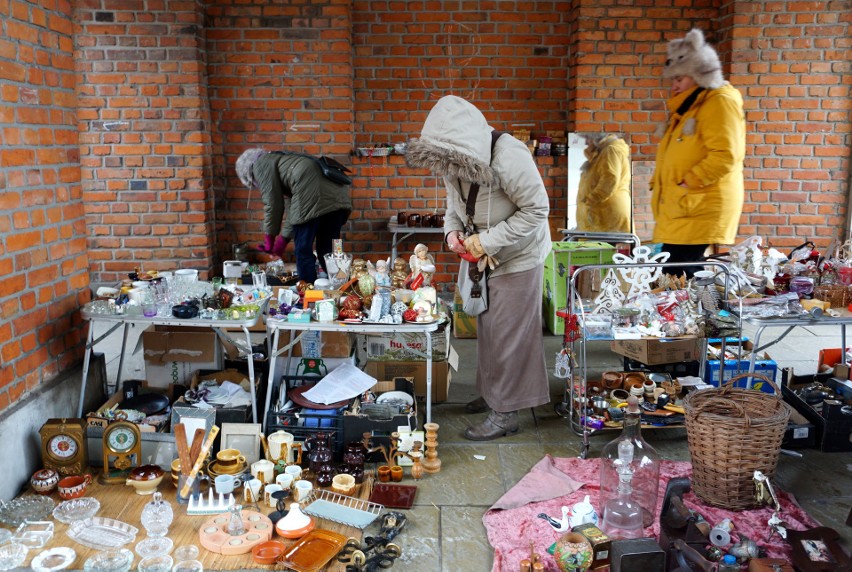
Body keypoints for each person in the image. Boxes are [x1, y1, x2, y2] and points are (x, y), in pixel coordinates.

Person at [406, 95, 551, 441]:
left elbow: (537, 209)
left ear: (466, 147)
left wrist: (486, 242)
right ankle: (493, 395)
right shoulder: (453, 160)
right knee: (488, 329)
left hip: (518, 255)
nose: (446, 168)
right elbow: (453, 204)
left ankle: (506, 413)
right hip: (483, 254)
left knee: (510, 335)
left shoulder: (509, 155)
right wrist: (452, 232)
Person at [651, 28, 746, 277]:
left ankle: (699, 314)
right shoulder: (691, 107)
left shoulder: (718, 102)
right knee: (678, 269)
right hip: (686, 204)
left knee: (679, 270)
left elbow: (726, 154)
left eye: (679, 79)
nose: (674, 86)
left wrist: (688, 181)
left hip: (699, 204)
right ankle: (697, 313)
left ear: (699, 75)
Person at [236, 148, 352, 283]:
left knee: (303, 250)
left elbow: (273, 204)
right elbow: (295, 209)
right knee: (329, 251)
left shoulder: (259, 164)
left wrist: (269, 239)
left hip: (313, 194)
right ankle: (344, 288)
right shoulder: (283, 160)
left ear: (248, 173)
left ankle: (308, 291)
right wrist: (281, 243)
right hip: (337, 197)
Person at [575, 133, 632, 233]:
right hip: (601, 216)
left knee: (608, 248)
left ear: (596, 138)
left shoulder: (610, 150)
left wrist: (590, 200)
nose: (586, 142)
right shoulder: (601, 153)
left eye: (588, 138)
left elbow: (610, 179)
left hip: (608, 216)